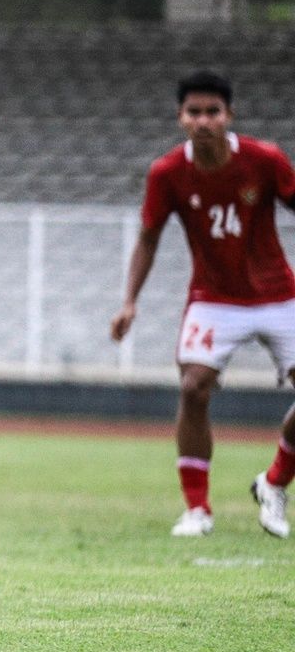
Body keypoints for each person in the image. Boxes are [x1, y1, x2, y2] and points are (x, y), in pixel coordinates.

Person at [113, 70, 295, 539]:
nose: (203, 120)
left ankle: (274, 482)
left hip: (278, 294)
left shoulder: (265, 160)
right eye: (194, 112)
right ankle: (197, 509)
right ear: (180, 118)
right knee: (193, 387)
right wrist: (130, 301)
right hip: (213, 297)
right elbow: (148, 239)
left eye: (212, 111)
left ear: (229, 115)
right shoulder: (167, 173)